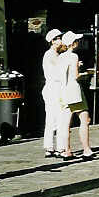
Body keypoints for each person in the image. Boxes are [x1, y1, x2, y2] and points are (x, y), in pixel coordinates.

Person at [59, 31, 95, 160]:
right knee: (85, 120)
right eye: (77, 41)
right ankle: (86, 149)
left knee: (65, 123)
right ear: (73, 44)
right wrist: (87, 74)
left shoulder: (61, 57)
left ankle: (66, 150)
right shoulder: (74, 56)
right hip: (74, 92)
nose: (79, 43)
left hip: (63, 92)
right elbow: (75, 76)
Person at [40, 28, 68, 157]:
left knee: (52, 118)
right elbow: (58, 71)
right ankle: (58, 147)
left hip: (54, 88)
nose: (61, 41)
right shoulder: (50, 55)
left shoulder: (56, 54)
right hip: (54, 88)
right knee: (58, 118)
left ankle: (50, 146)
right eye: (59, 38)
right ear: (53, 41)